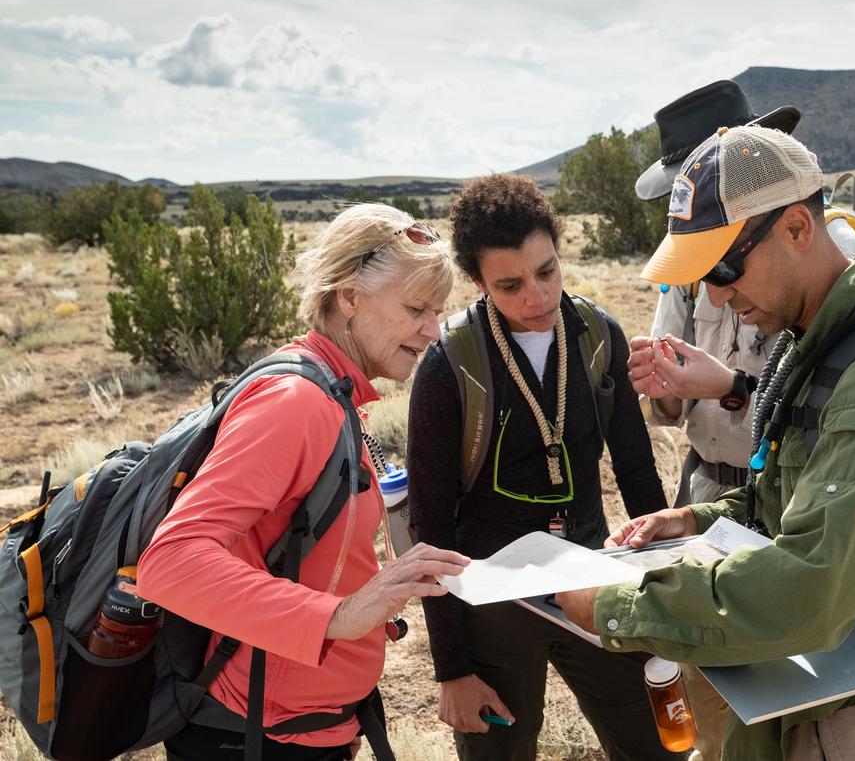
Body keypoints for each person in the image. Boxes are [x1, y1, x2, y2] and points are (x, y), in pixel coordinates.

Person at [557, 125, 855, 760]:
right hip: (803, 687)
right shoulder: (811, 343)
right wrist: (691, 519)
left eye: (725, 268)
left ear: (796, 228)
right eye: (703, 277)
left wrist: (615, 606)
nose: (716, 296)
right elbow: (788, 501)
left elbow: (808, 588)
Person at [137, 203, 470, 761]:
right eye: (416, 308)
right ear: (349, 296)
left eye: (437, 311)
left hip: (302, 729)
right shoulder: (296, 404)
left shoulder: (337, 395)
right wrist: (340, 617)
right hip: (255, 737)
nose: (433, 331)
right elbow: (170, 562)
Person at [628, 80, 855, 761]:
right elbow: (668, 398)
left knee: (798, 694)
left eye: (728, 268)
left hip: (801, 508)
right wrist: (667, 385)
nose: (718, 290)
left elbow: (832, 406)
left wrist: (734, 385)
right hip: (716, 498)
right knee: (719, 700)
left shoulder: (838, 268)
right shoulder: (691, 265)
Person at [406, 173, 680, 760]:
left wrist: (667, 599)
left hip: (587, 575)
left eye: (547, 271)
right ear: (478, 283)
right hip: (491, 601)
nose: (537, 296)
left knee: (652, 744)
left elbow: (637, 475)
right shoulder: (449, 366)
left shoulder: (597, 336)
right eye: (510, 284)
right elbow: (429, 525)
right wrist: (451, 670)